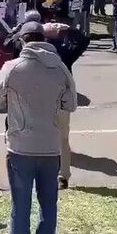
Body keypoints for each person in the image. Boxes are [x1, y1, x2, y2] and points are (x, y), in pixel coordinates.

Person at [0, 21, 77, 234]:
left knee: (21, 205)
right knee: (49, 205)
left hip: (19, 147)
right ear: (43, 39)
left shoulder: (12, 68)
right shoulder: (59, 68)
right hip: (50, 146)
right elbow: (71, 104)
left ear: (23, 40)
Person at [44, 22, 89, 189]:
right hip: (61, 100)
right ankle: (62, 175)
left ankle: (48, 174)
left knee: (45, 138)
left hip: (42, 101)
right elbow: (83, 40)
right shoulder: (65, 51)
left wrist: (43, 27)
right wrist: (67, 28)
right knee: (62, 139)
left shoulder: (34, 50)